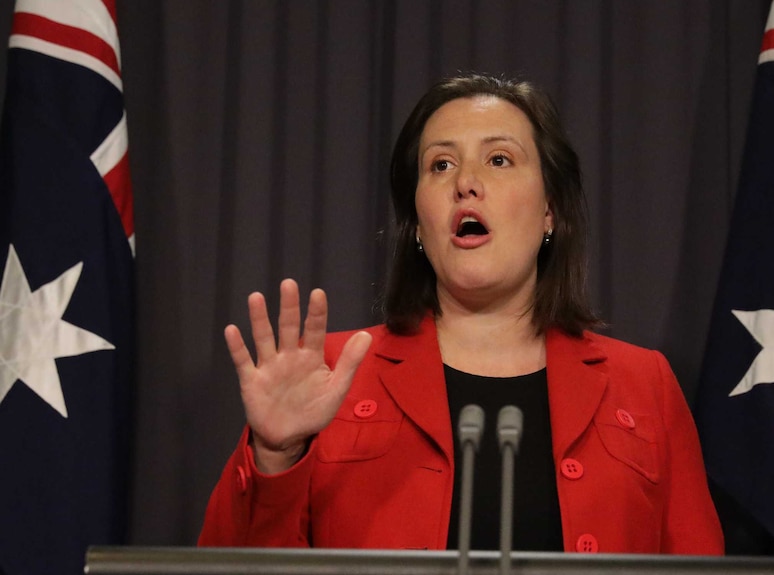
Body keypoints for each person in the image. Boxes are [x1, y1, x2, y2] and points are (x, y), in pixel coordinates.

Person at [198, 73, 724, 554]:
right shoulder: (332, 372)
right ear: (419, 227)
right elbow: (227, 566)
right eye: (440, 164)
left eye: (499, 159)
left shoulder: (643, 383)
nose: (465, 182)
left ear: (550, 212)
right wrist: (275, 455)